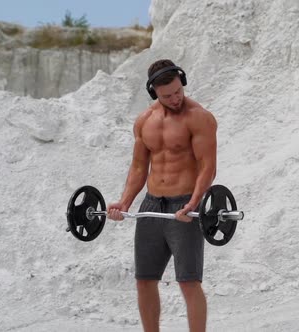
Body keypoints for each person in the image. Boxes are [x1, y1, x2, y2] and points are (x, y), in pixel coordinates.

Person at [107, 59, 217, 332]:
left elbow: (208, 168)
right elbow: (138, 167)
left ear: (182, 82)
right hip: (152, 204)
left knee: (188, 282)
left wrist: (194, 202)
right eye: (167, 95)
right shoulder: (145, 121)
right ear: (153, 92)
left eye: (178, 91)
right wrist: (124, 202)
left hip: (184, 206)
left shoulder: (199, 117)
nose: (175, 98)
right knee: (144, 279)